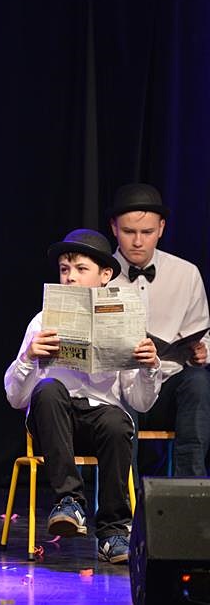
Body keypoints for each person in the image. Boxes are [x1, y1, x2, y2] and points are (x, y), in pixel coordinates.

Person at [3, 228, 162, 563]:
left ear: (104, 275)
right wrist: (28, 358)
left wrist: (149, 367)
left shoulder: (124, 323)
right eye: (65, 269)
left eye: (80, 269)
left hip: (100, 425)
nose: (70, 277)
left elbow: (141, 402)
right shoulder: (42, 322)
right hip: (53, 423)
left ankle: (113, 532)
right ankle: (69, 503)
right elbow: (15, 398)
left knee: (118, 421)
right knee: (49, 389)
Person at [106, 182, 210, 476]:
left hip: (169, 388)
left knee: (198, 382)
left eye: (147, 232)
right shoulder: (99, 275)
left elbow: (203, 334)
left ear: (161, 228)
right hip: (120, 390)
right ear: (114, 228)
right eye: (129, 232)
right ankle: (126, 497)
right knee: (120, 389)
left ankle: (189, 491)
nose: (138, 241)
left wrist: (203, 352)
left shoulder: (185, 273)